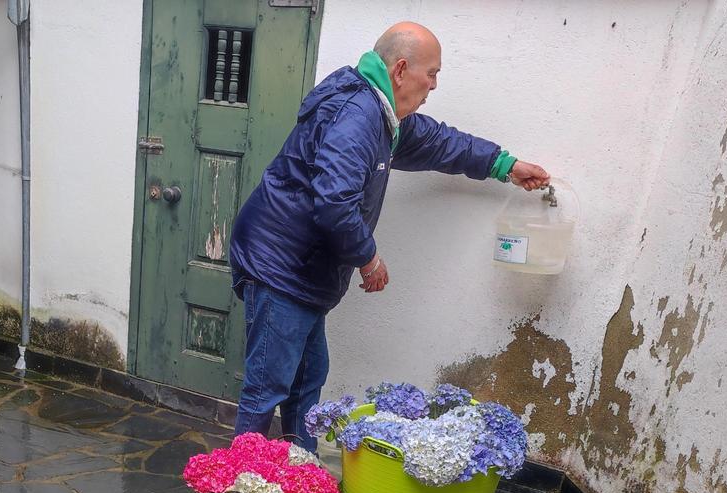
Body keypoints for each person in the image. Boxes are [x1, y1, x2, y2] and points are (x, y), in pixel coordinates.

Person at [229, 21, 550, 452]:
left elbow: (442, 144)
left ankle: (296, 476)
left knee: (306, 384)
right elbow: (334, 202)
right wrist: (369, 259)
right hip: (280, 265)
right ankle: (241, 491)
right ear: (400, 70)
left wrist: (506, 165)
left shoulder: (384, 117)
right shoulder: (357, 117)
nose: (434, 84)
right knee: (267, 389)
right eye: (431, 73)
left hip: (303, 270)